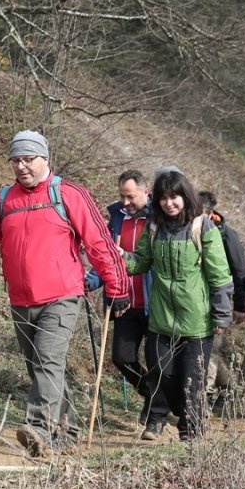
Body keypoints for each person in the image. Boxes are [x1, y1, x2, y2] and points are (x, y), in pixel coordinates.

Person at [0, 130, 132, 457]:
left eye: (28, 159)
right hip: (21, 299)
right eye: (16, 160)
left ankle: (39, 429)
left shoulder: (68, 194)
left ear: (45, 159)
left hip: (62, 296)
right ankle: (68, 432)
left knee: (47, 362)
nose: (22, 166)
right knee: (40, 367)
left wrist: (117, 285)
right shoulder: (3, 199)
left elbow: (98, 243)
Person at [126, 167, 233, 442]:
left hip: (197, 320)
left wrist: (222, 315)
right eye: (163, 198)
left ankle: (191, 431)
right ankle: (158, 419)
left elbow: (220, 275)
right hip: (162, 318)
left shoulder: (202, 227)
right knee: (161, 372)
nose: (169, 203)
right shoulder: (153, 228)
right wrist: (115, 257)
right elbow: (139, 262)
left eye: (175, 197)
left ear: (185, 196)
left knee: (193, 379)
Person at [84, 170, 154, 420]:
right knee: (121, 358)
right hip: (124, 301)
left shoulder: (160, 220)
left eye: (131, 197)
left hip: (156, 302)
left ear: (146, 191)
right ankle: (150, 392)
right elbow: (107, 259)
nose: (125, 202)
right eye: (122, 196)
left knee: (158, 360)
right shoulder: (116, 219)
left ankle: (155, 412)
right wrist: (90, 281)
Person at [198, 190, 245, 412]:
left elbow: (239, 272)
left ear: (209, 213)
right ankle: (228, 387)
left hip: (219, 299)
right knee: (207, 350)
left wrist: (239, 305)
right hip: (194, 299)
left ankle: (205, 399)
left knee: (210, 349)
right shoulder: (186, 231)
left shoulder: (227, 235)